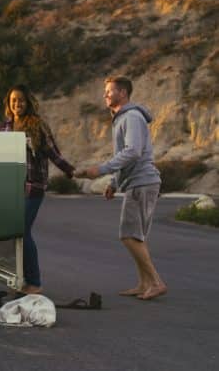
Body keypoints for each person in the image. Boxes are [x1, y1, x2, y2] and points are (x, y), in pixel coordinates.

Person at [75, 76, 166, 300]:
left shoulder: (132, 117)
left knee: (128, 236)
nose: (105, 95)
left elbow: (133, 151)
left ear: (123, 93)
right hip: (138, 182)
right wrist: (114, 183)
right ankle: (144, 283)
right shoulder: (122, 118)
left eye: (109, 91)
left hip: (142, 182)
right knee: (136, 236)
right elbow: (123, 154)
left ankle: (156, 282)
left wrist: (103, 169)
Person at [3, 84, 75, 295]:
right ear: (9, 103)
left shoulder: (37, 125)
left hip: (33, 186)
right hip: (11, 188)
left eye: (22, 100)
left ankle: (34, 282)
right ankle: (22, 280)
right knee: (16, 234)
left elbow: (54, 153)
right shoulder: (6, 127)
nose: (18, 104)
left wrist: (70, 170)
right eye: (14, 100)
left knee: (23, 231)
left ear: (29, 102)